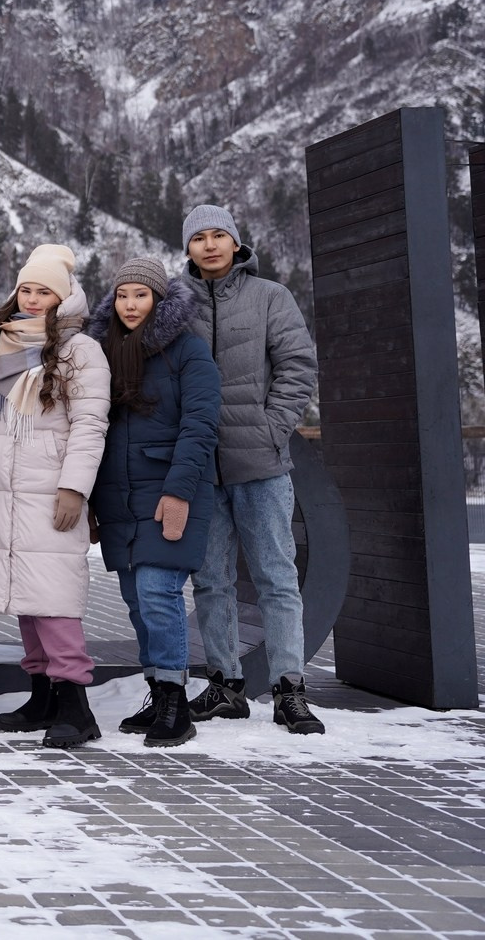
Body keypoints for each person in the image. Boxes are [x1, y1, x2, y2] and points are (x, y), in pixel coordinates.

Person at [181, 204, 325, 734]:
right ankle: (226, 685)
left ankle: (290, 689)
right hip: (200, 468)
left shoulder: (270, 297)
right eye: (200, 237)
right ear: (189, 248)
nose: (211, 245)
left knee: (276, 578)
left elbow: (297, 365)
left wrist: (272, 428)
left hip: (261, 465)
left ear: (237, 244)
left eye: (220, 235)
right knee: (211, 581)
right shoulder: (176, 305)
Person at [0, 244, 112, 748]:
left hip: (49, 488)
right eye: (25, 289)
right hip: (3, 489)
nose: (31, 299)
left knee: (55, 597)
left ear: (63, 297)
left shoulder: (80, 350)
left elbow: (90, 424)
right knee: (27, 594)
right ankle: (42, 695)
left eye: (43, 291)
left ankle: (76, 703)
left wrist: (75, 488)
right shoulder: (5, 344)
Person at [85, 256, 221, 748]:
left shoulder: (188, 351)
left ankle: (174, 703)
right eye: (122, 295)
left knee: (158, 595)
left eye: (140, 295)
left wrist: (179, 492)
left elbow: (201, 426)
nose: (130, 304)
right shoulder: (105, 351)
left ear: (159, 299)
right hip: (118, 496)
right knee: (136, 602)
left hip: (167, 489)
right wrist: (92, 502)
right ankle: (158, 691)